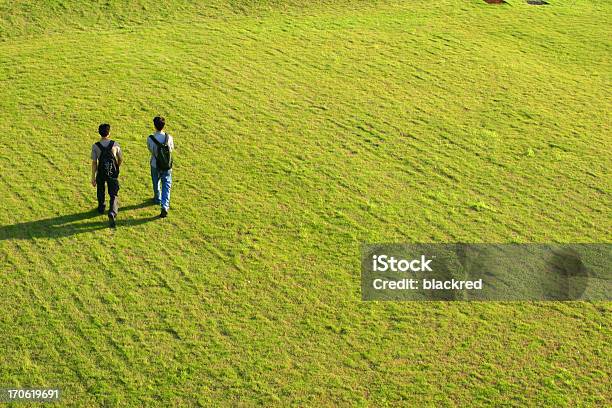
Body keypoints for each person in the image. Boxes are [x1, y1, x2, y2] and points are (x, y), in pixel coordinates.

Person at [91, 123, 122, 227]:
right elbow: (120, 158)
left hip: (101, 171)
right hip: (112, 171)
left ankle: (101, 207)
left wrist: (93, 177)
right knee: (113, 193)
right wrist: (117, 167)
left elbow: (94, 162)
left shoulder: (95, 146)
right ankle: (112, 212)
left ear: (100, 133)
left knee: (100, 189)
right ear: (109, 133)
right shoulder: (115, 144)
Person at [147, 116, 174, 218]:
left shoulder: (150, 138)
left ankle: (157, 198)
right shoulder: (169, 138)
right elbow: (171, 149)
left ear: (154, 125)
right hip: (167, 165)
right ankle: (165, 206)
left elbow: (150, 149)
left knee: (156, 181)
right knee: (166, 184)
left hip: (155, 164)